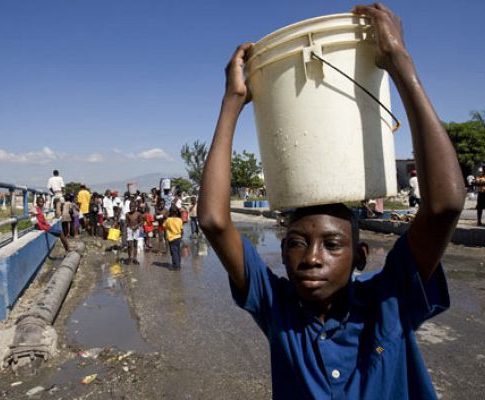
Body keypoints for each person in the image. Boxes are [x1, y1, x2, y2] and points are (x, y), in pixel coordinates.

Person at [198, 4, 465, 399]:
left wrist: (398, 62)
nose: (312, 258)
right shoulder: (278, 308)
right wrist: (233, 101)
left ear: (360, 257)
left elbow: (443, 206)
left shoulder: (389, 302)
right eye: (296, 243)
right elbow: (214, 222)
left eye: (332, 244)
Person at [163, 205, 184, 270]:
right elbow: (182, 230)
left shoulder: (168, 220)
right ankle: (177, 264)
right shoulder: (180, 220)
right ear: (177, 212)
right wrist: (181, 237)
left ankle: (176, 266)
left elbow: (164, 226)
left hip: (171, 238)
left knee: (174, 252)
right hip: (178, 237)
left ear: (170, 212)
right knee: (177, 251)